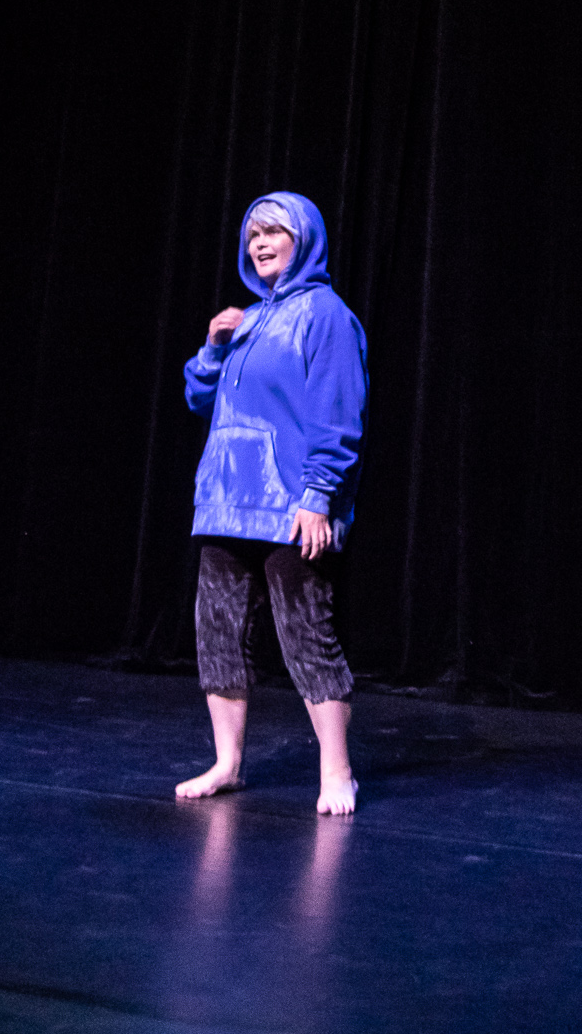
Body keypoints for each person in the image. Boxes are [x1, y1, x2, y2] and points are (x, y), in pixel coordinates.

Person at [176, 192, 368, 815]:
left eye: (273, 232)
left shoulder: (326, 315)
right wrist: (213, 346)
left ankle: (337, 772)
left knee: (306, 633)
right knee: (218, 633)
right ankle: (227, 763)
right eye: (252, 235)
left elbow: (338, 416)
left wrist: (318, 496)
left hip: (290, 504)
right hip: (226, 500)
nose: (259, 243)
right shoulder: (250, 318)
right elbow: (200, 401)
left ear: (303, 239)